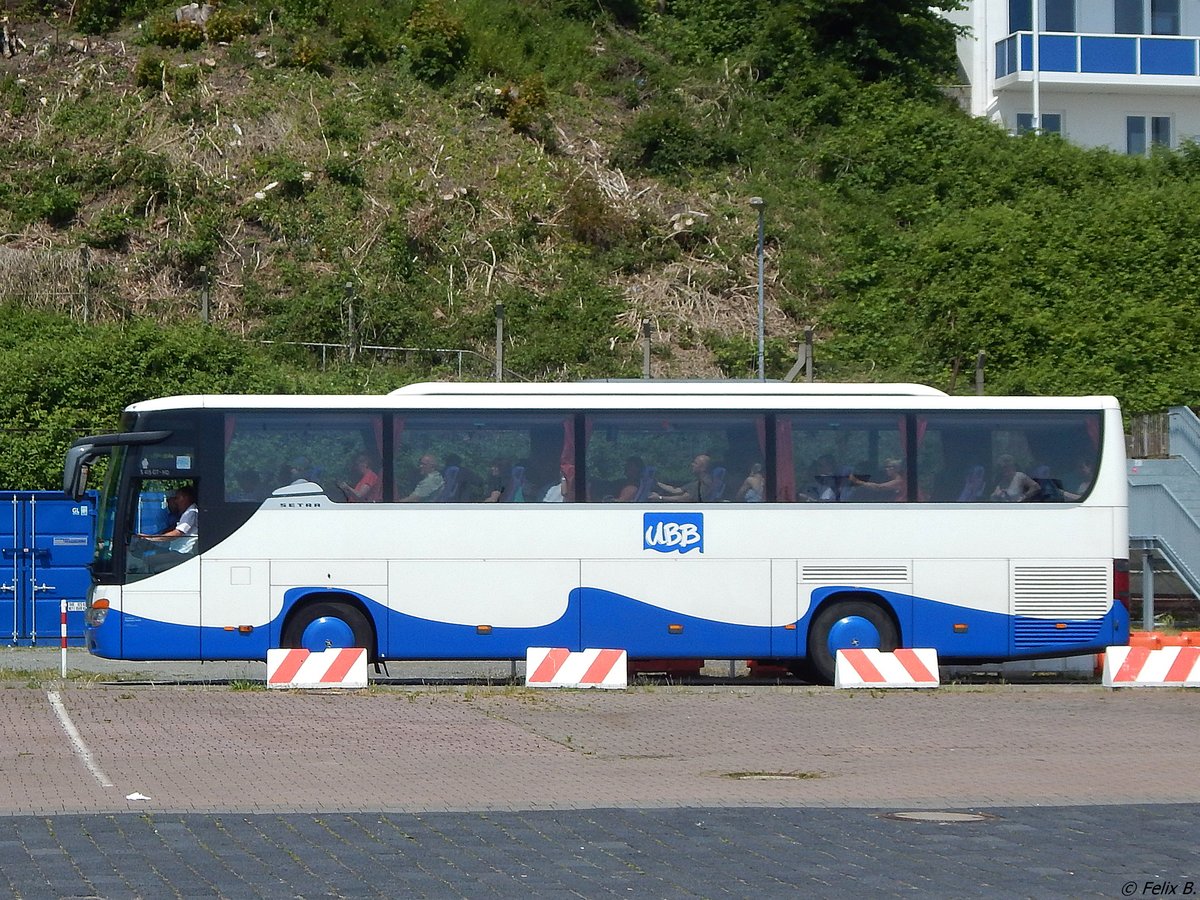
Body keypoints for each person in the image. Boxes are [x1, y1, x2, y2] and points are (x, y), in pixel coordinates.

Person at [132, 484, 199, 572]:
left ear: (185, 498)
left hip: (182, 553)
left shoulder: (191, 512)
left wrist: (151, 538)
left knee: (148, 559)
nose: (176, 502)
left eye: (177, 498)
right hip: (176, 550)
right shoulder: (187, 512)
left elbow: (177, 533)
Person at [650, 454, 715, 503]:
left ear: (703, 468)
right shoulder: (697, 481)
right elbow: (676, 490)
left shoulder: (705, 484)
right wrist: (658, 483)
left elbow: (684, 498)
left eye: (696, 463)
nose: (692, 464)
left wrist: (660, 498)